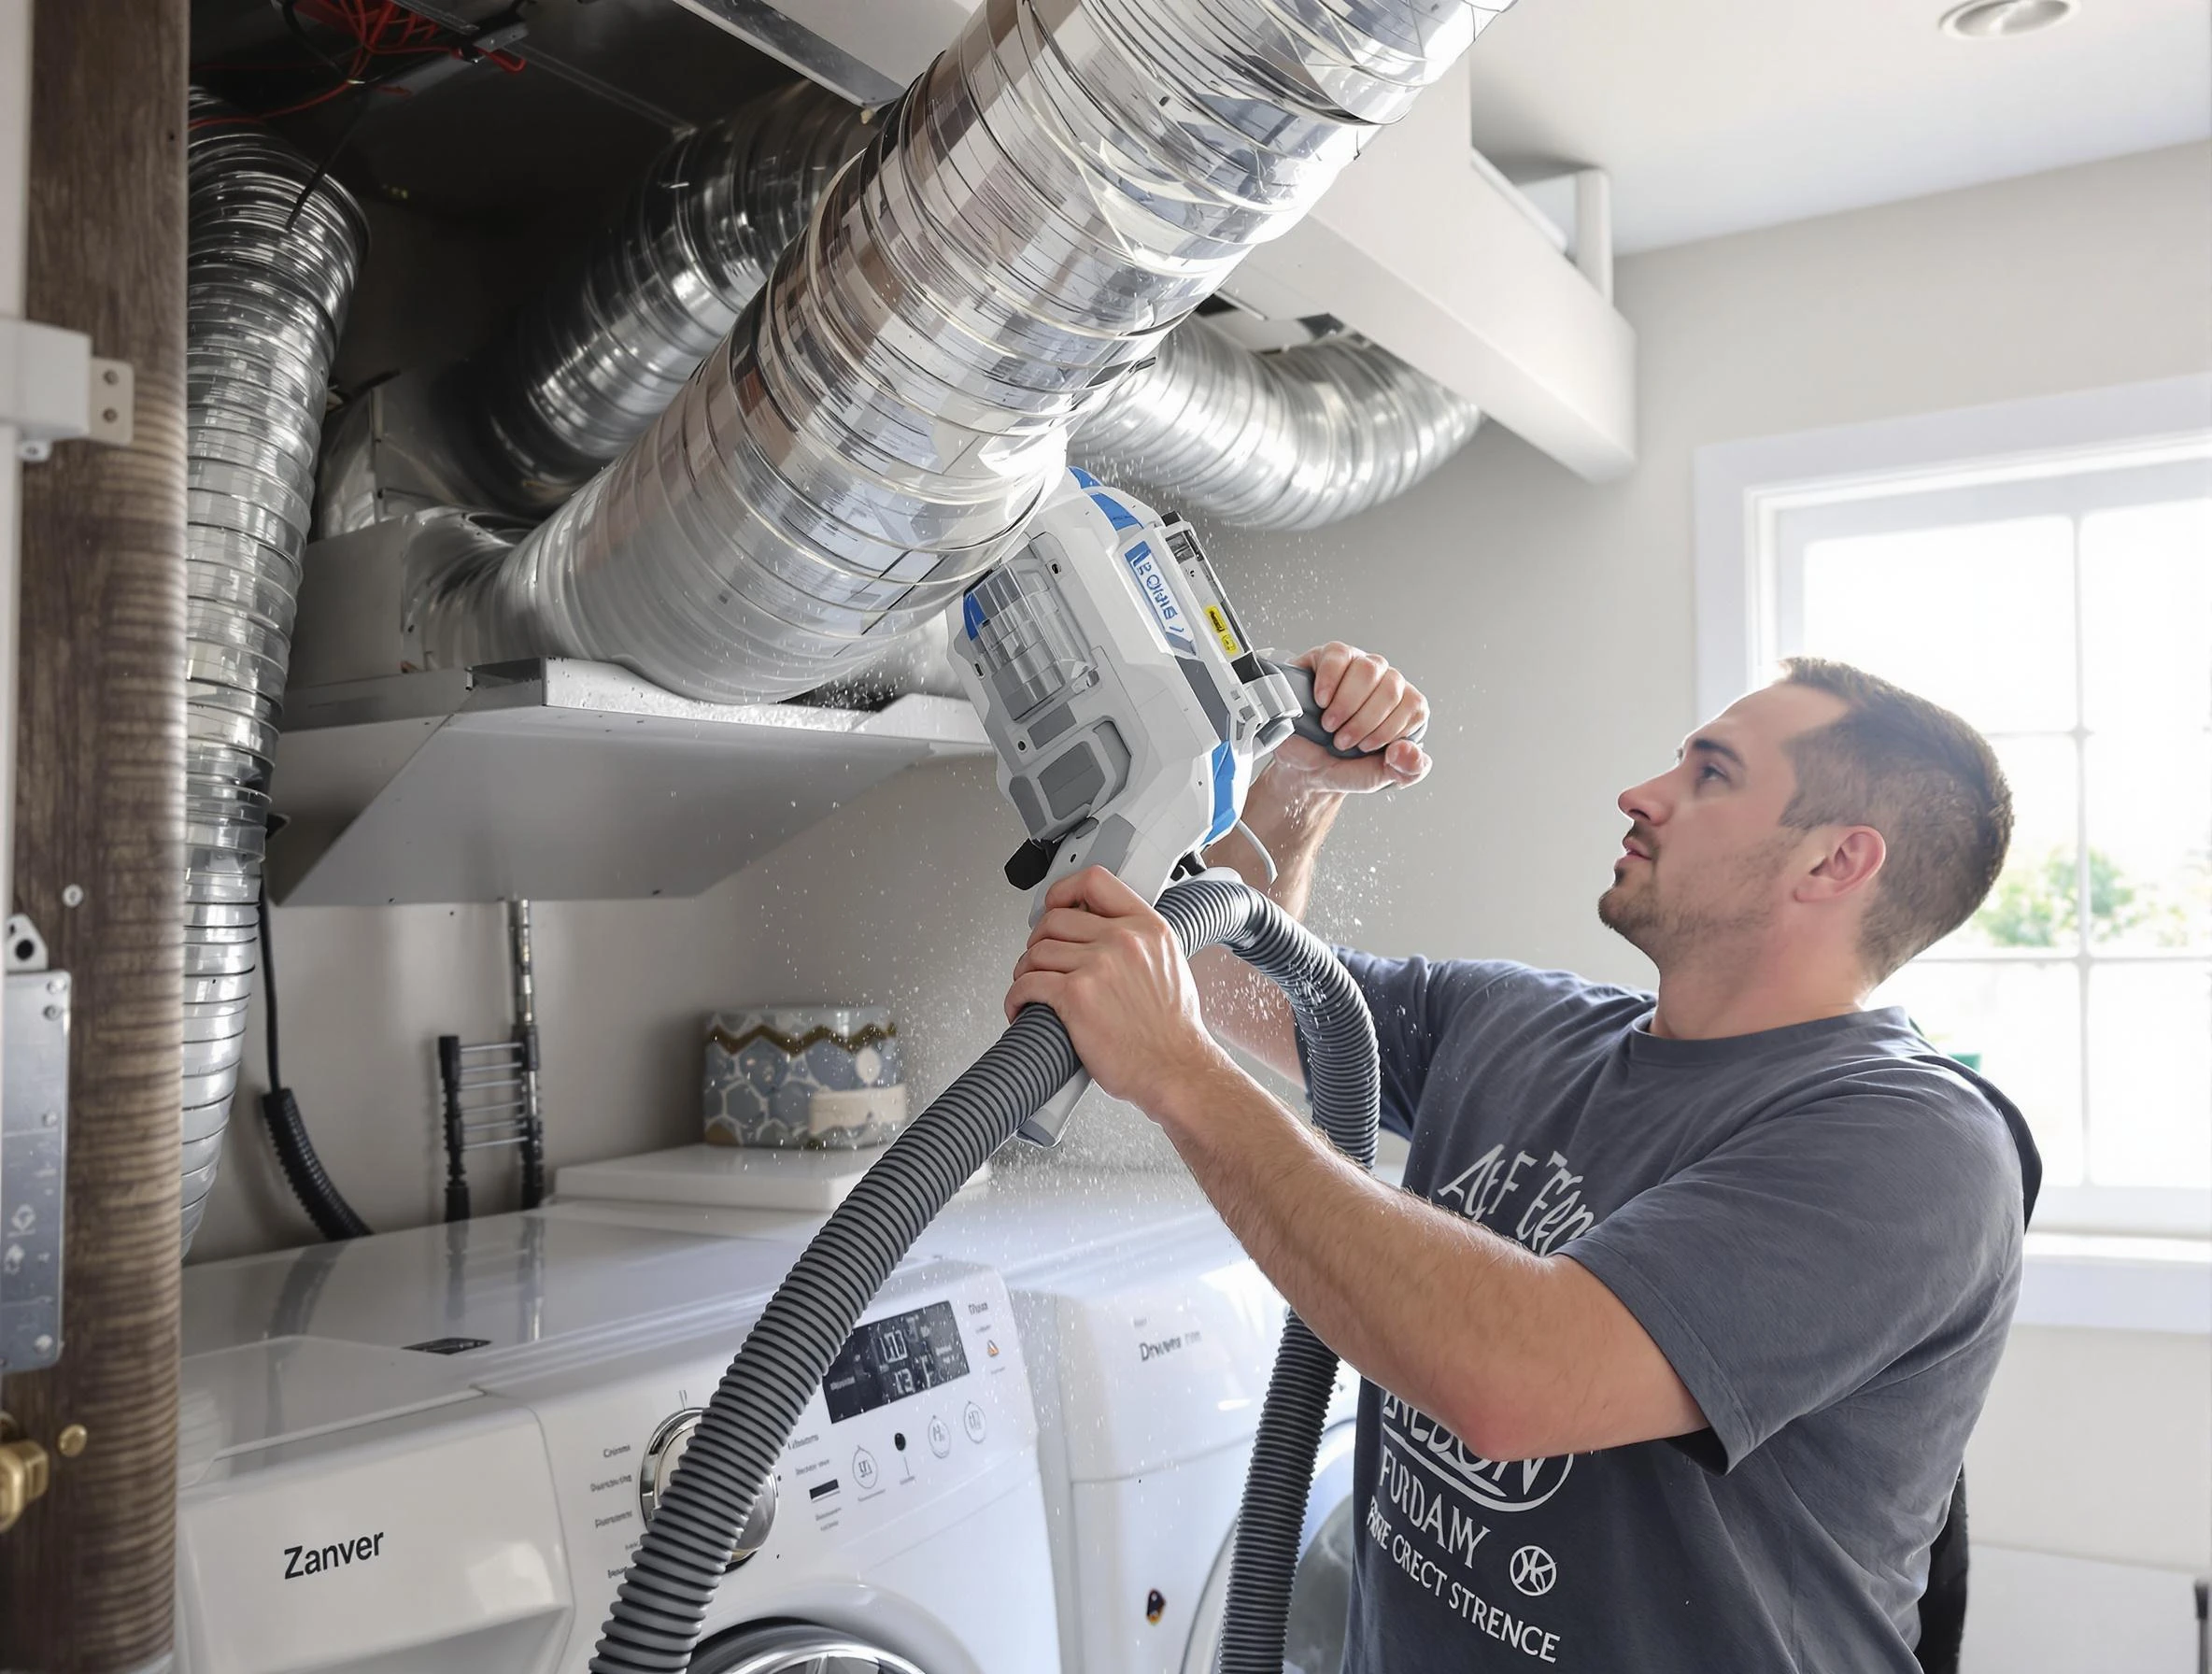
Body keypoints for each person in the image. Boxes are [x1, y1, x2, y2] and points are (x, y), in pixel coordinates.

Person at [1003, 645, 2034, 1673]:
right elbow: (1223, 973)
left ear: (1836, 863)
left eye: (1711, 774)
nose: (1642, 793)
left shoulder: (1914, 1144)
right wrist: (1298, 788)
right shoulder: (1515, 1021)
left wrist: (1179, 1076)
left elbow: (1521, 1385)